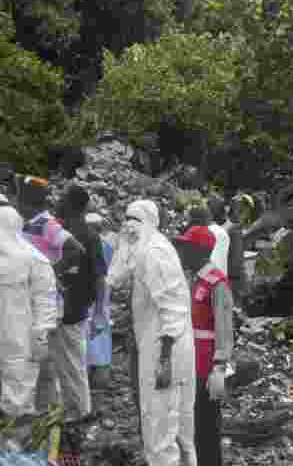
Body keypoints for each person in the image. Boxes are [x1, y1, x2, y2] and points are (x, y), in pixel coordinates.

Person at [107, 200, 197, 466]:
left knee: (161, 423)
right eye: (126, 219)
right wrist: (123, 244)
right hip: (159, 345)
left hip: (166, 348)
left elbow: (173, 309)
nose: (129, 225)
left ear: (151, 222)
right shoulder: (142, 249)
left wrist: (164, 359)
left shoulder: (154, 252)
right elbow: (113, 279)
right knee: (169, 423)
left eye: (136, 219)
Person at [17, 178, 92, 426]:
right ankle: (54, 410)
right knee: (47, 360)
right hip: (36, 302)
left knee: (60, 360)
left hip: (49, 302)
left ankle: (76, 414)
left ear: (26, 202)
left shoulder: (47, 224)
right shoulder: (27, 224)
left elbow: (76, 250)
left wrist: (50, 273)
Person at [173, 225, 233, 466]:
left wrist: (220, 366)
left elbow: (224, 326)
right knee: (190, 421)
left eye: (187, 248)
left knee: (207, 426)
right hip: (189, 360)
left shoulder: (216, 283)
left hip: (205, 364)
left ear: (200, 251)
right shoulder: (192, 279)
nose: (182, 253)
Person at [0, 201, 58, 444]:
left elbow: (45, 300)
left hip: (20, 341)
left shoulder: (35, 260)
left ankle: (15, 450)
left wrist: (41, 336)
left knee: (19, 397)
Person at [84, 213, 114, 390]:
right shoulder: (108, 245)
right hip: (103, 303)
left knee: (86, 352)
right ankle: (98, 405)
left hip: (91, 304)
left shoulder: (87, 245)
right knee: (101, 350)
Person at [205, 196, 230, 277]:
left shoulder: (218, 232)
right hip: (217, 278)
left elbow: (215, 262)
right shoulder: (221, 231)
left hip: (213, 279)